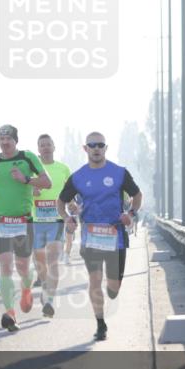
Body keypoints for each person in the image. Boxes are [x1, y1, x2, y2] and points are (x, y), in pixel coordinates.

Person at [57, 133, 141, 341]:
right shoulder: (77, 177)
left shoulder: (119, 173)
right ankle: (101, 324)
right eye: (92, 145)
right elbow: (60, 202)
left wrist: (129, 214)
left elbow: (137, 196)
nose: (96, 149)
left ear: (106, 148)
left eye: (100, 145)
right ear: (85, 149)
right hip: (91, 236)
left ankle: (111, 291)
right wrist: (67, 218)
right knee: (95, 280)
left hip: (116, 236)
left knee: (113, 288)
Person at [0, 125, 50, 332]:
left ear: (15, 140)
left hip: (23, 220)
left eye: (8, 139)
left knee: (22, 267)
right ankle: (10, 312)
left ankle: (27, 287)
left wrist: (26, 180)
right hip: (0, 221)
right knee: (5, 265)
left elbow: (47, 182)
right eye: (1, 139)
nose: (4, 143)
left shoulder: (28, 157)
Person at [30, 134, 71, 318]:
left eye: (48, 144)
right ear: (38, 149)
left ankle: (50, 301)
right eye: (42, 145)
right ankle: (44, 283)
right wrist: (32, 190)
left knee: (53, 259)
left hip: (56, 220)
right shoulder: (32, 169)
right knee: (40, 262)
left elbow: (70, 193)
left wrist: (72, 204)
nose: (45, 147)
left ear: (54, 147)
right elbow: (21, 190)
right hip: (36, 222)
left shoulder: (63, 169)